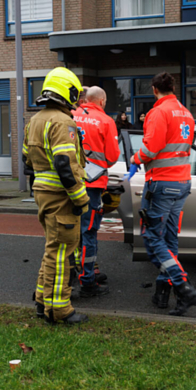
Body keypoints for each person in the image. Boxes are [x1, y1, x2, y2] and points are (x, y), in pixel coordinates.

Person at [130, 72, 196, 317]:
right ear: (173, 87)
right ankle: (166, 294)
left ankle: (182, 286)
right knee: (170, 239)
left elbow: (151, 148)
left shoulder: (158, 112)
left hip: (161, 183)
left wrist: (135, 158)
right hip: (182, 183)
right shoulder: (186, 112)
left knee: (152, 238)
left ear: (154, 89)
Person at [24, 67, 91, 325]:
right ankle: (60, 310)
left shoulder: (34, 121)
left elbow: (25, 159)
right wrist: (81, 199)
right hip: (61, 196)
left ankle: (43, 301)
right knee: (63, 252)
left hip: (42, 192)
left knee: (52, 248)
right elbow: (65, 164)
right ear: (67, 91)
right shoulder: (63, 122)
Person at [74, 87, 120, 297]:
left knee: (70, 229)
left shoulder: (71, 115)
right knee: (89, 231)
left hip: (70, 182)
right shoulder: (105, 121)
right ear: (101, 101)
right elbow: (112, 157)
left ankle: (73, 273)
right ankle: (88, 280)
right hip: (92, 185)